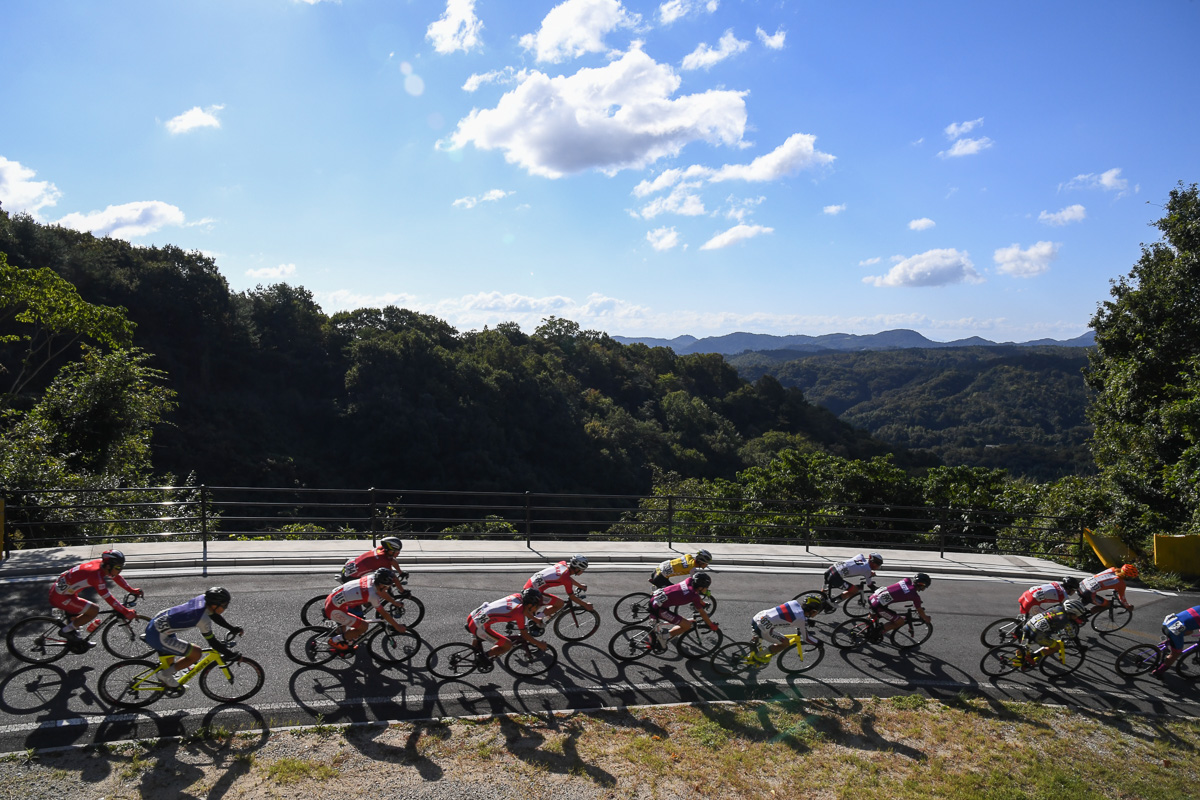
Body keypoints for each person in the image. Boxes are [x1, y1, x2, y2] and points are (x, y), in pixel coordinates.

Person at [143, 587, 243, 688]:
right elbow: (212, 642)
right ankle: (164, 675)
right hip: (158, 635)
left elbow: (214, 615)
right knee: (196, 653)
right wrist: (231, 654)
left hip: (157, 623)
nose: (226, 608)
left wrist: (231, 628)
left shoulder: (203, 599)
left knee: (170, 660)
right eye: (224, 605)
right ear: (214, 605)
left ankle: (167, 680)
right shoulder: (202, 619)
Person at [49, 550, 143, 648]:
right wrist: (126, 612)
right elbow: (109, 599)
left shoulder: (101, 564)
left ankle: (75, 639)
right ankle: (65, 632)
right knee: (93, 610)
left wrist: (131, 590)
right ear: (108, 566)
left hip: (65, 592)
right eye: (118, 567)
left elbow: (116, 577)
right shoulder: (96, 577)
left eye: (122, 566)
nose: (120, 570)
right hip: (60, 597)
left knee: (77, 617)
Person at [324, 567, 408, 655]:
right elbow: (383, 613)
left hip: (332, 598)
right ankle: (334, 641)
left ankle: (344, 641)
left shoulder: (372, 578)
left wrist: (394, 602)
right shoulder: (372, 595)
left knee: (350, 625)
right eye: (387, 586)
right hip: (334, 609)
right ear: (382, 585)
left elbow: (381, 591)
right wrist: (397, 626)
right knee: (363, 626)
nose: (387, 589)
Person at [467, 587, 550, 664]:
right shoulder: (518, 614)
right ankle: (483, 658)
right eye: (536, 605)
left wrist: (535, 619)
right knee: (508, 645)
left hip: (474, 615)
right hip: (478, 626)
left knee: (477, 642)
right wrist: (539, 644)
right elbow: (525, 635)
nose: (537, 607)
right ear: (530, 605)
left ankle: (474, 651)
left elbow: (524, 610)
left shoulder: (517, 596)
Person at [647, 571, 719, 647]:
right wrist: (711, 624)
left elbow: (696, 595)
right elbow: (702, 613)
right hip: (659, 608)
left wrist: (703, 603)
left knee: (683, 620)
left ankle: (661, 634)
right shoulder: (693, 595)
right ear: (700, 587)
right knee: (687, 625)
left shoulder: (689, 580)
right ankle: (663, 636)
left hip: (655, 598)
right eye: (707, 587)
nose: (707, 589)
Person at [748, 595, 825, 664]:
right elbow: (806, 638)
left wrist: (806, 620)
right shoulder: (801, 620)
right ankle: (758, 656)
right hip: (763, 628)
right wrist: (818, 643)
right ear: (813, 611)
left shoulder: (794, 602)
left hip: (758, 617)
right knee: (786, 643)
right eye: (816, 612)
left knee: (761, 630)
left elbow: (791, 613)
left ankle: (753, 644)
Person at [1018, 599, 1088, 663]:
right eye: (1077, 615)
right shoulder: (1065, 621)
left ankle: (1019, 657)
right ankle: (1032, 656)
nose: (1077, 617)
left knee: (1024, 646)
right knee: (1056, 647)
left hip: (1030, 624)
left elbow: (1053, 621)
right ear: (1071, 613)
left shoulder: (1057, 608)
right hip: (1037, 634)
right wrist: (1080, 646)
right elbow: (1073, 636)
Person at [523, 554, 594, 619]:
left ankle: (536, 617)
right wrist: (585, 605)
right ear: (577, 569)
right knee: (560, 604)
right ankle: (536, 620)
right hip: (533, 591)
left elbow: (567, 577)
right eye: (582, 570)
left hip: (530, 584)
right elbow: (572, 596)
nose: (582, 572)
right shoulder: (566, 579)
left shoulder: (563, 564)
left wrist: (580, 586)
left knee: (534, 608)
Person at [868, 573, 932, 636]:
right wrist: (926, 618)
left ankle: (867, 623)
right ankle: (876, 632)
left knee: (876, 614)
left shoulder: (906, 580)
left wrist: (917, 602)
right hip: (878, 605)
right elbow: (919, 610)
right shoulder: (915, 596)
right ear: (922, 585)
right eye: (925, 587)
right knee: (900, 622)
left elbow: (900, 591)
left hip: (873, 597)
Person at [1153, 604, 1200, 677]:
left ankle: (1168, 642)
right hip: (1173, 630)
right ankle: (1158, 672)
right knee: (1176, 654)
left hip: (1168, 622)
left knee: (1190, 631)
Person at [339, 537, 407, 582]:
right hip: (350, 577)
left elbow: (392, 560)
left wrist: (400, 572)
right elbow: (393, 577)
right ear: (390, 551)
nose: (399, 553)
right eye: (397, 551)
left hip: (349, 566)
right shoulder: (383, 560)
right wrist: (403, 591)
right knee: (372, 594)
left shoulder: (381, 549)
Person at [1016, 577, 1081, 621]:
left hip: (1026, 594)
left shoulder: (1056, 583)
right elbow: (1067, 609)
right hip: (1031, 603)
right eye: (1074, 590)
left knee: (1026, 618)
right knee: (1047, 619)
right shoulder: (1064, 596)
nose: (1074, 592)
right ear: (1070, 589)